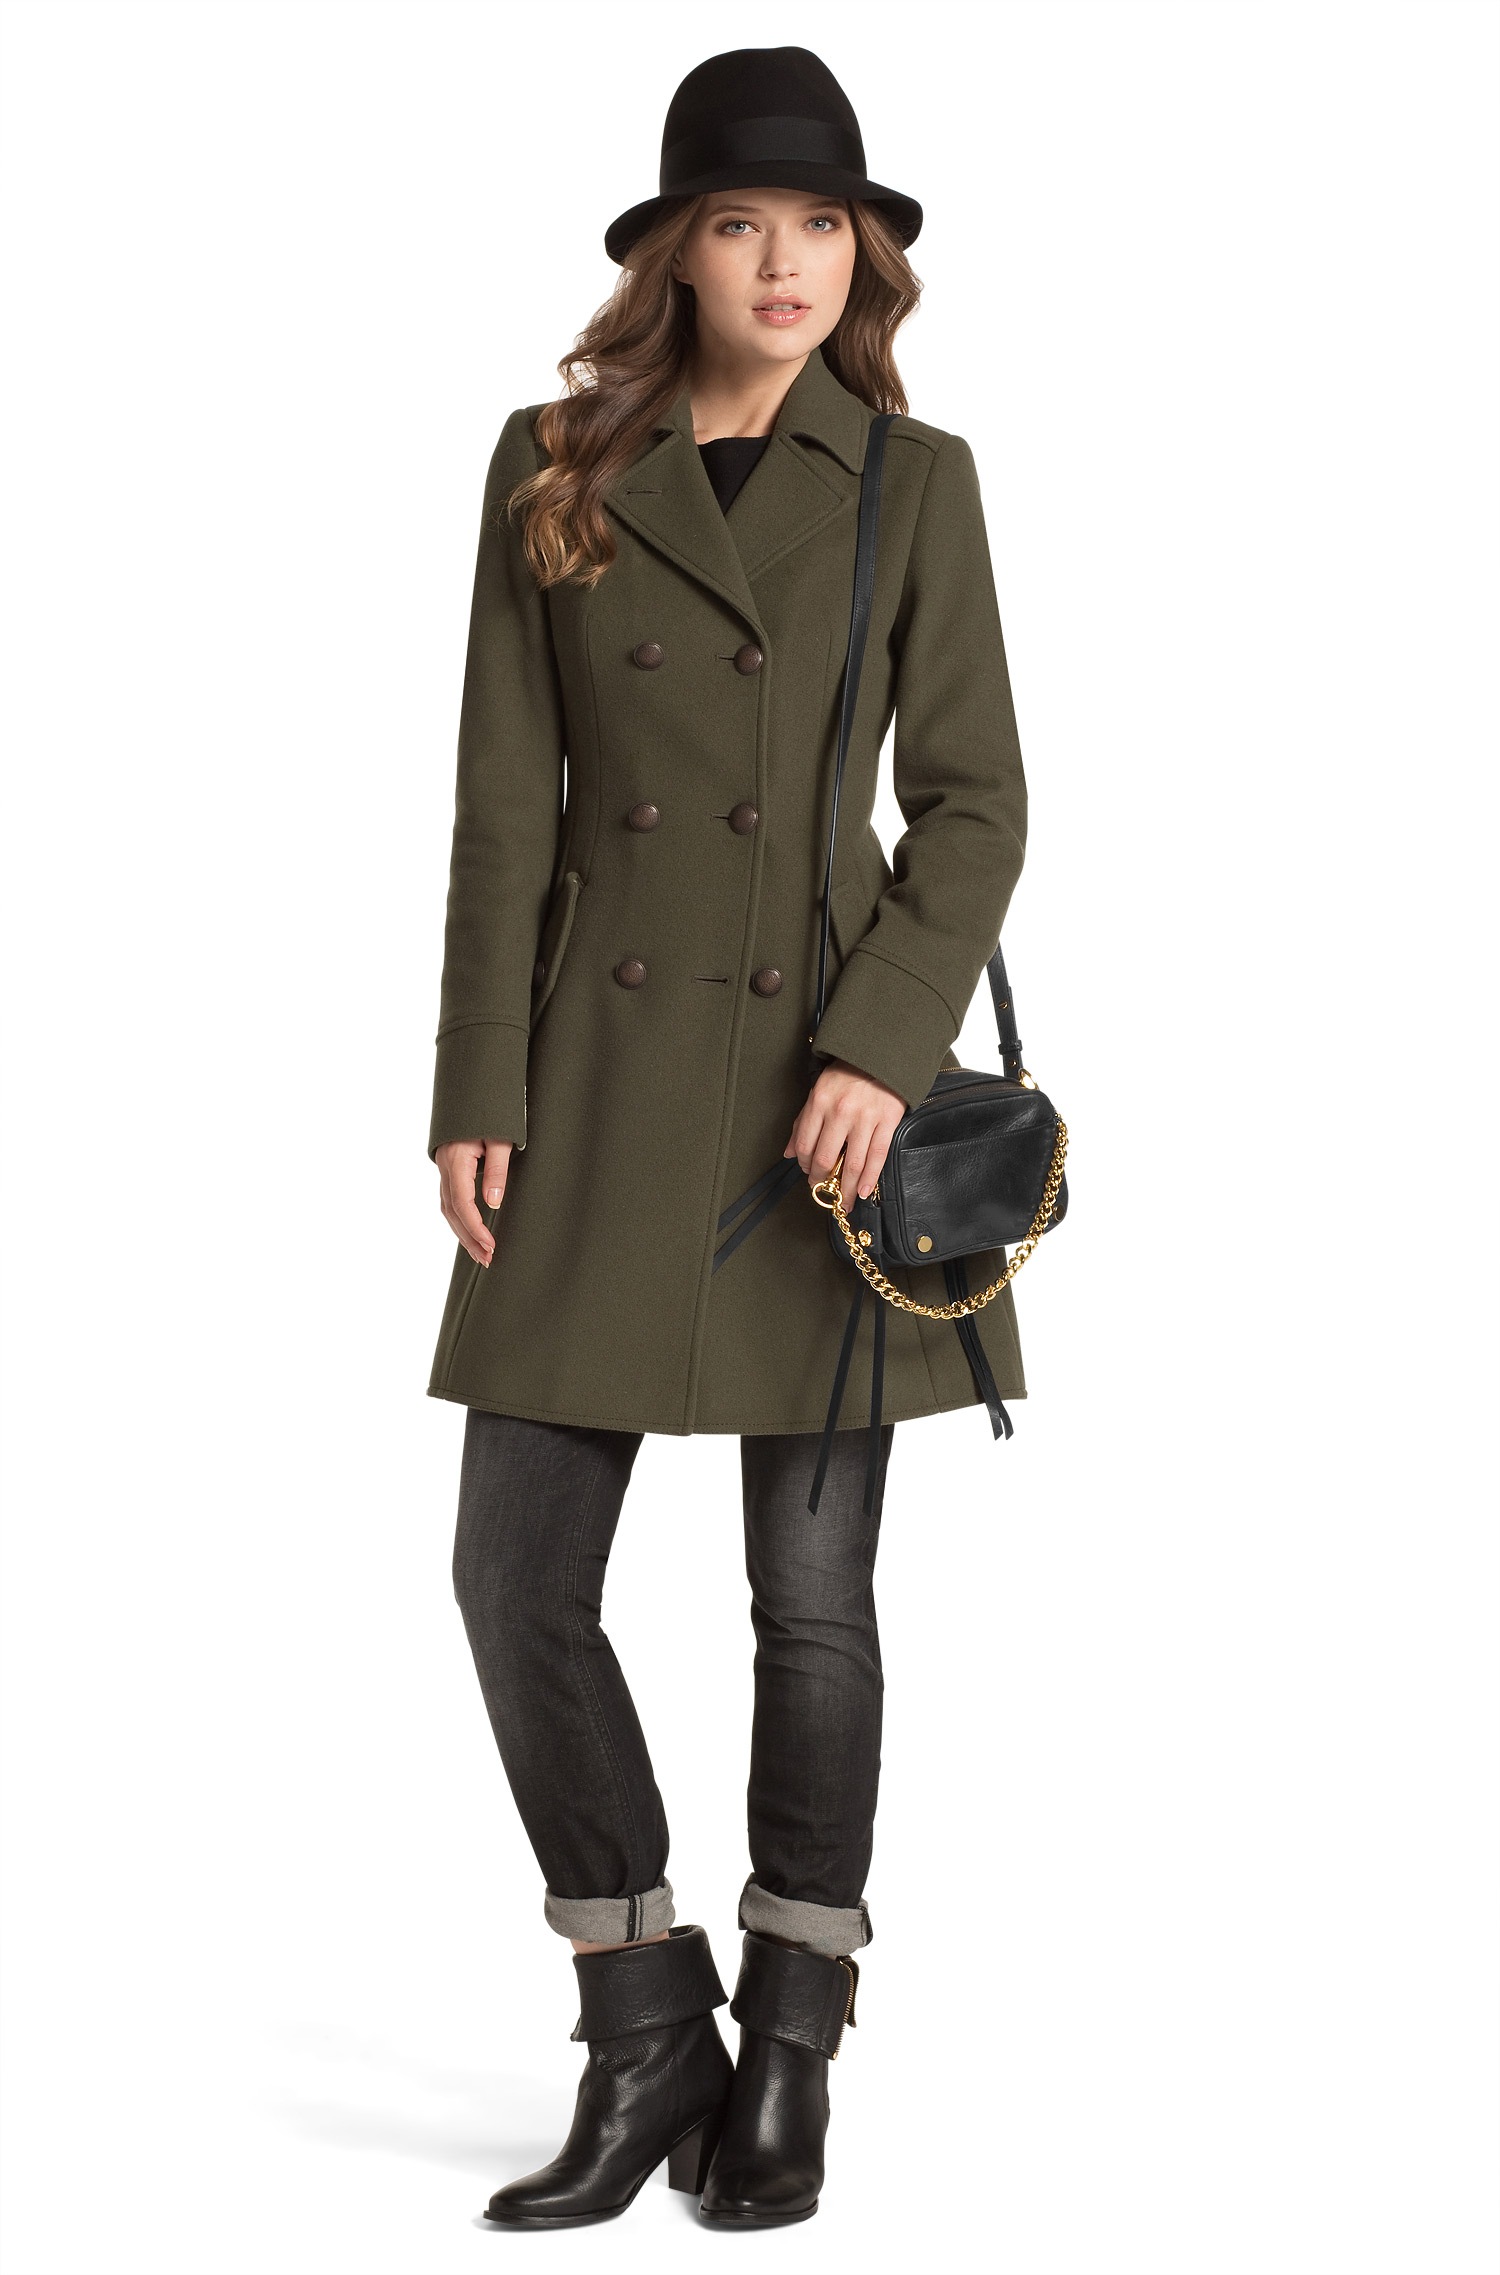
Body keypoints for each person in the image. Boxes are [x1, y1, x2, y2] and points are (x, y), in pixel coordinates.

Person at [427, 45, 1029, 2230]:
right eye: (742, 224)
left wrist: (878, 1043)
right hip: (592, 1080)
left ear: (864, 255)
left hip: (821, 1102)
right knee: (516, 1578)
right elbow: (507, 806)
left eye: (823, 225)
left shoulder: (911, 482)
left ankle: (790, 2044)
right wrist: (475, 1084)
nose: (788, 262)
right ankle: (639, 2012)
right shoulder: (554, 463)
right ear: (674, 253)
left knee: (812, 1600)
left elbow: (975, 802)